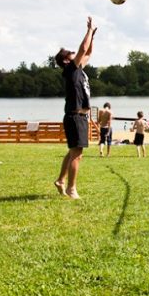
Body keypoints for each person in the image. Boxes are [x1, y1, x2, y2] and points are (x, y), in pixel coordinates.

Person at [53, 16, 97, 200]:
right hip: (75, 116)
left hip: (79, 117)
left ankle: (61, 180)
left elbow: (88, 53)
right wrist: (88, 30)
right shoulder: (70, 69)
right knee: (77, 155)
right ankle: (72, 189)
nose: (75, 54)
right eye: (70, 53)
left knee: (73, 151)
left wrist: (92, 37)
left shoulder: (78, 69)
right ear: (65, 61)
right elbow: (83, 49)